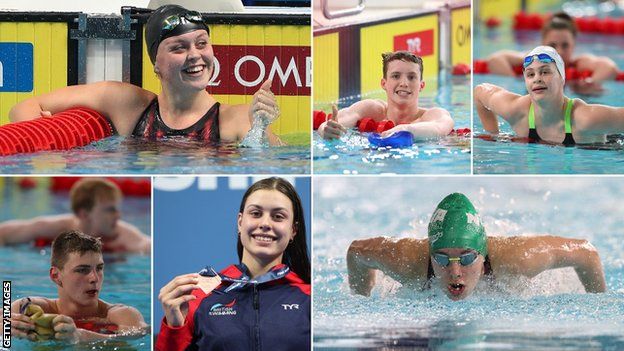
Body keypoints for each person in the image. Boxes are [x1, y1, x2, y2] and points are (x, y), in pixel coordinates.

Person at [8, 4, 282, 145]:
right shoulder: (127, 103)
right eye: (179, 48)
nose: (195, 55)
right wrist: (46, 143)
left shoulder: (236, 119)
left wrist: (260, 131)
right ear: (156, 64)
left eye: (201, 43)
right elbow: (24, 107)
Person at [347, 193, 606, 301]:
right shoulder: (408, 261)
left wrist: (599, 305)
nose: (455, 272)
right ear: (429, 253)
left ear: (482, 255)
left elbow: (587, 252)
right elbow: (356, 252)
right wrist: (361, 300)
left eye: (467, 258)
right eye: (442, 258)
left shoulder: (520, 258)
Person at [156, 177, 310, 351]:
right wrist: (174, 328)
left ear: (293, 230)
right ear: (240, 222)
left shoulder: (309, 296)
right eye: (256, 214)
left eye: (278, 216)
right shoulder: (198, 296)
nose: (265, 224)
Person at [10, 230, 148, 342]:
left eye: (99, 268)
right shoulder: (25, 308)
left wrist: (81, 337)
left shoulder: (123, 315)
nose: (94, 278)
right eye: (82, 270)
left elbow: (135, 337)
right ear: (55, 276)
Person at [474, 45, 624, 145]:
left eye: (545, 72)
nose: (537, 78)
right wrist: (493, 134)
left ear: (562, 78)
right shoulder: (516, 111)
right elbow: (480, 91)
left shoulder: (585, 118)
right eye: (530, 74)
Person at [317, 51, 453, 140]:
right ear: (384, 83)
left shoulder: (433, 115)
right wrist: (326, 130)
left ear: (421, 85)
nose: (404, 83)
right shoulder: (370, 109)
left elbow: (440, 128)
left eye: (412, 77)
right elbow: (330, 124)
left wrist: (405, 129)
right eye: (396, 76)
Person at [0, 178, 150, 254]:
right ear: (84, 214)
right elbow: (3, 233)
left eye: (117, 209)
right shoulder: (56, 228)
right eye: (110, 210)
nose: (118, 216)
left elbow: (150, 247)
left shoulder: (126, 238)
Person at [485, 12, 619, 95]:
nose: (559, 51)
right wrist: (519, 80)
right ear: (542, 43)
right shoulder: (532, 60)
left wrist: (590, 83)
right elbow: (496, 59)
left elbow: (609, 67)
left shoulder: (578, 63)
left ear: (574, 45)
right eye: (552, 45)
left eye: (565, 45)